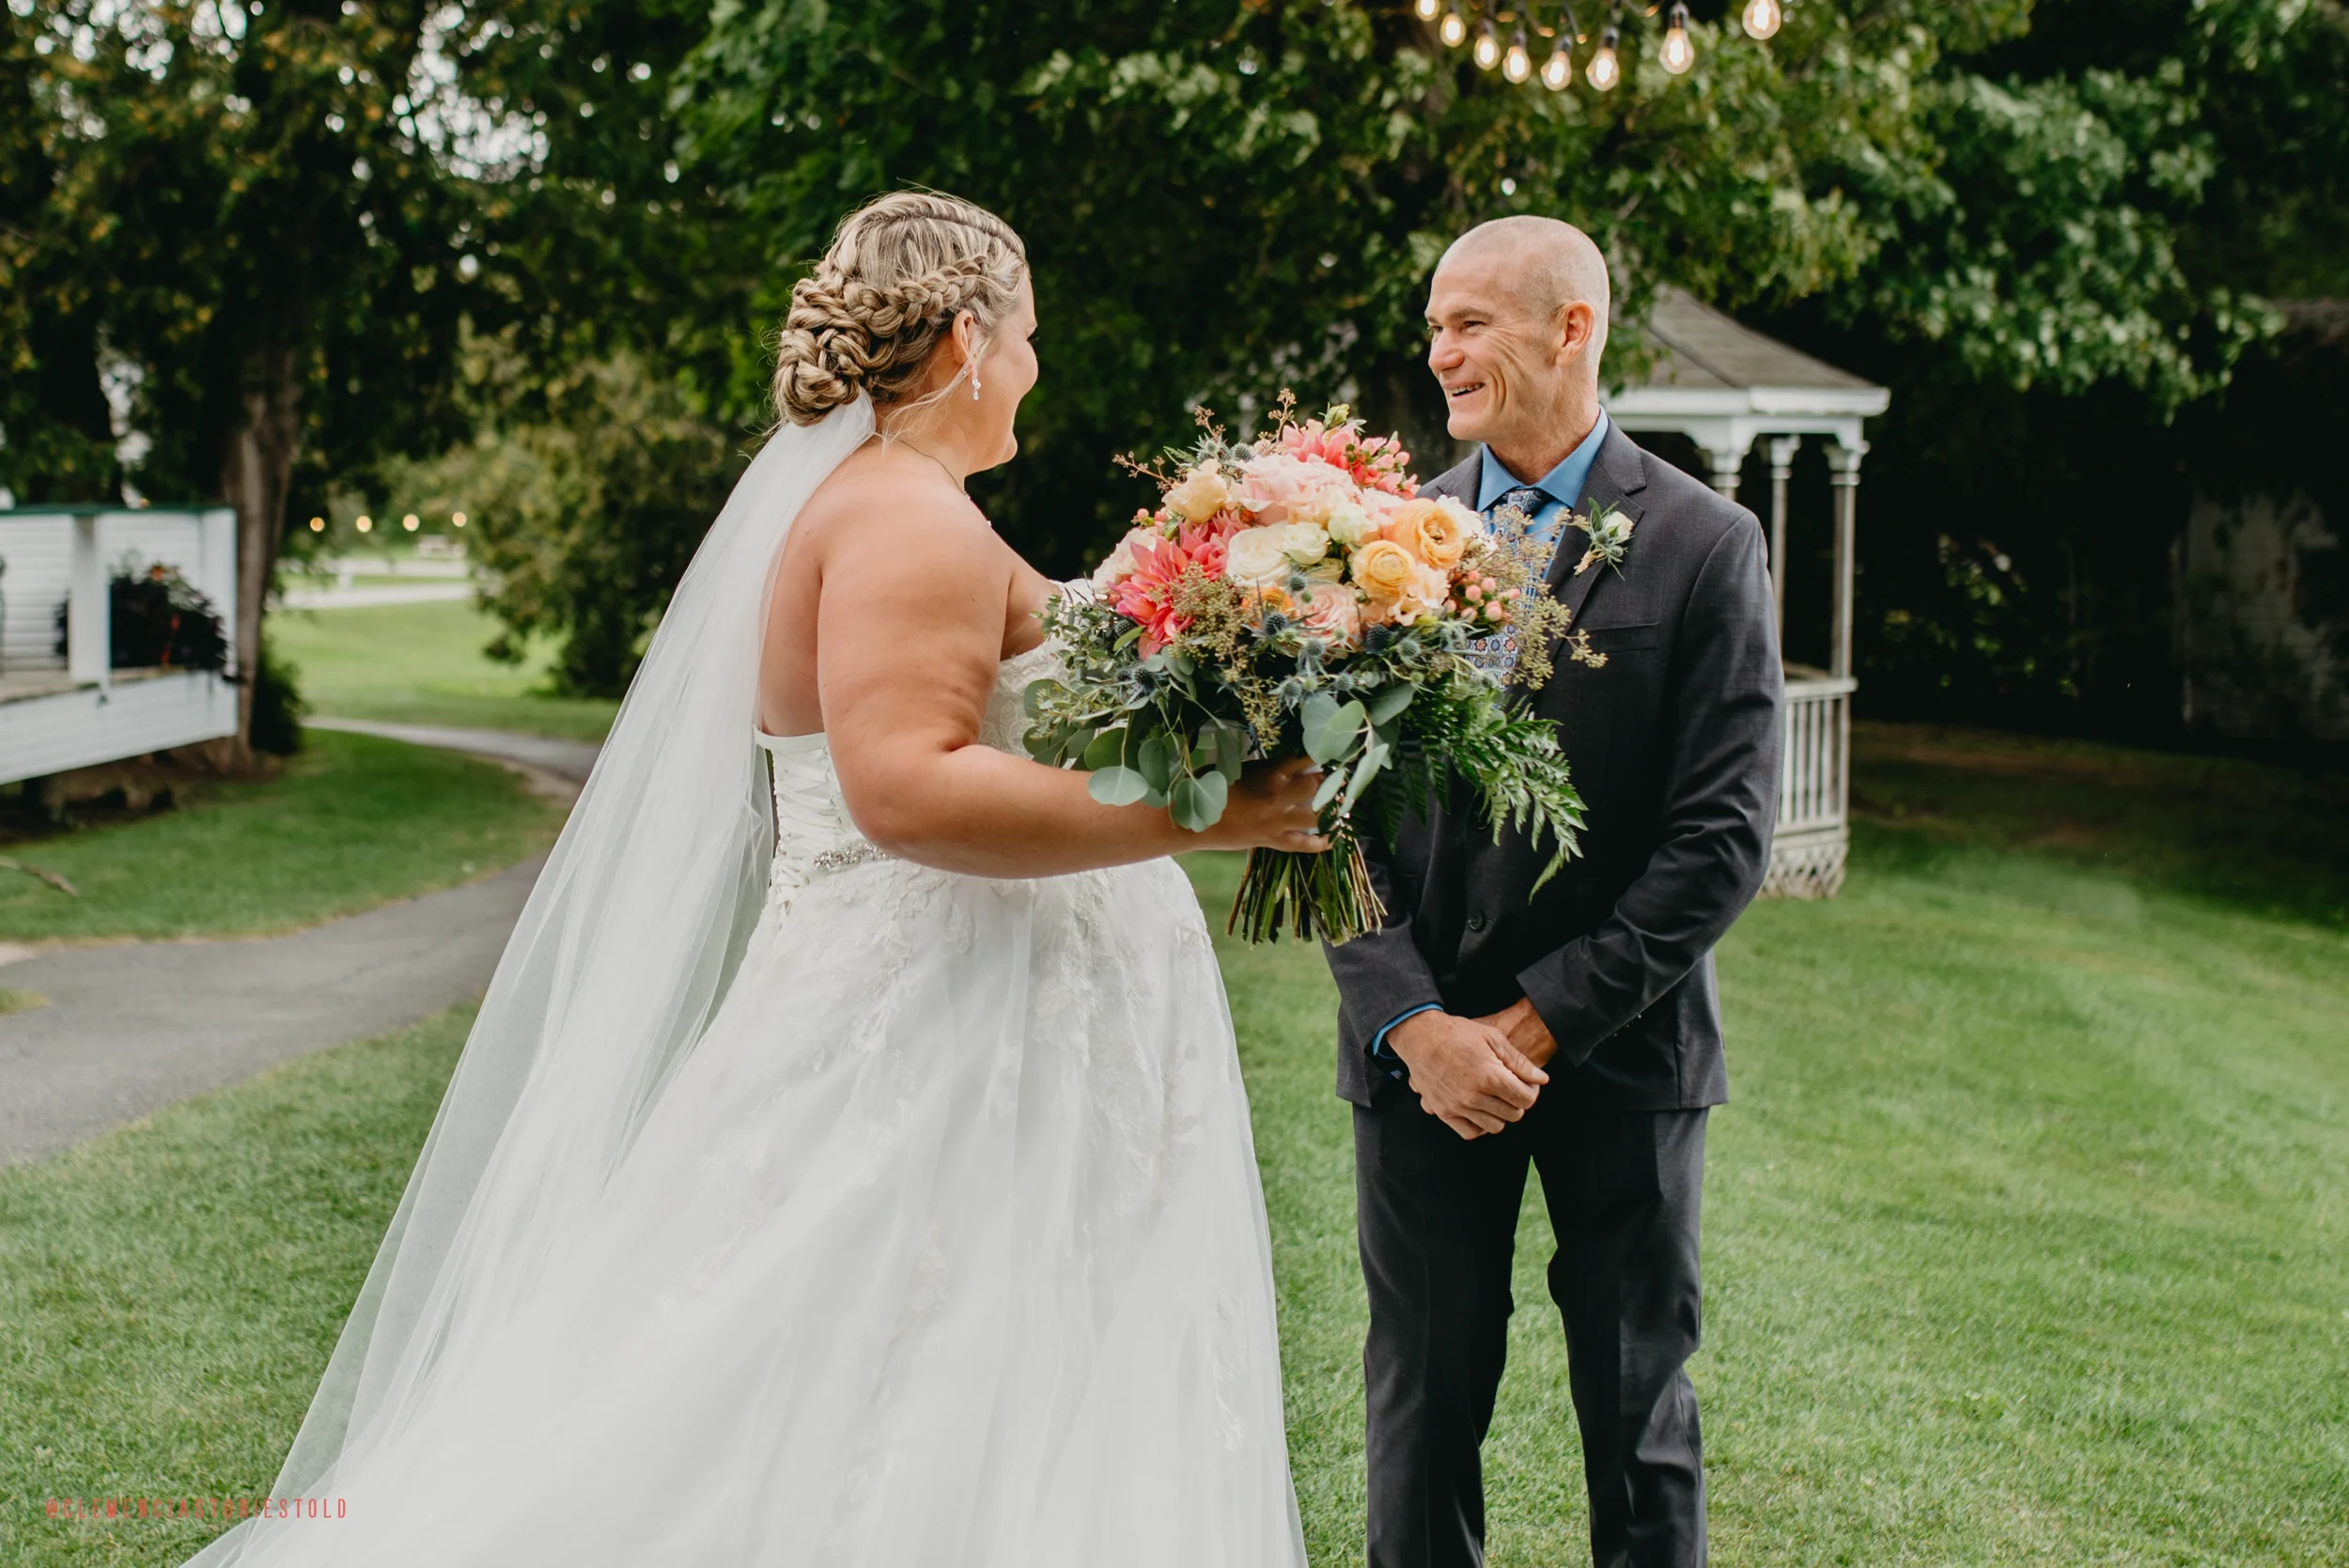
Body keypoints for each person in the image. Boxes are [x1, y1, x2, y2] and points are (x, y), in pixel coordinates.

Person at [179, 191, 1321, 1568]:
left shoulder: (904, 506)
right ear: (967, 337)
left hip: (977, 1014)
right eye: (1028, 336)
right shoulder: (910, 522)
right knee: (865, 1356)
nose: (1035, 366)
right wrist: (1200, 823)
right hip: (943, 1031)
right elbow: (906, 788)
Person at [1322, 216, 1784, 1568]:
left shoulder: (1706, 544)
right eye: (1433, 325)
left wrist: (1531, 1026)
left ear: (1568, 329)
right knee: (1420, 1410)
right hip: (1415, 1060)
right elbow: (1319, 815)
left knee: (1638, 1414)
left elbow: (1722, 838)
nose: (1439, 350)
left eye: (1468, 322)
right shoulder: (1378, 539)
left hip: (1623, 1058)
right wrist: (1414, 1024)